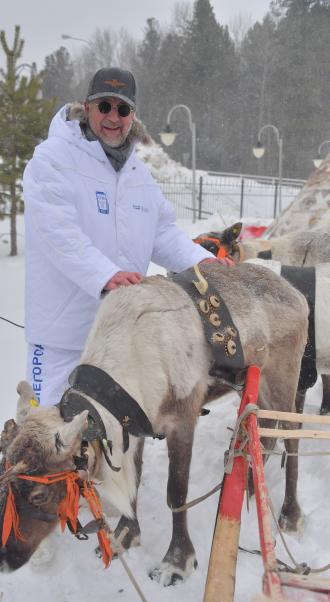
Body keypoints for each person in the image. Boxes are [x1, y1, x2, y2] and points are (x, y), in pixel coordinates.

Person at [23, 67, 229, 406]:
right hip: (63, 338)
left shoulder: (138, 174)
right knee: (47, 437)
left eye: (123, 109)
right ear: (87, 107)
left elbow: (162, 233)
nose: (113, 117)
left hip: (119, 336)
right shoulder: (53, 159)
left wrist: (205, 263)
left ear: (133, 115)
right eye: (104, 106)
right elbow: (57, 232)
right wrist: (105, 276)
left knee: (108, 441)